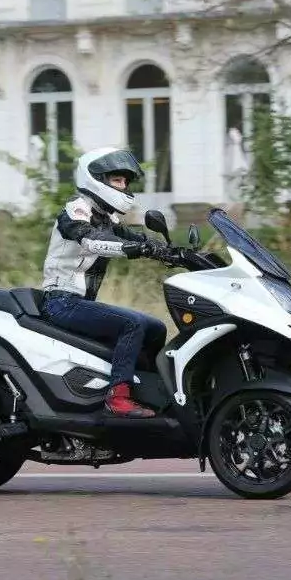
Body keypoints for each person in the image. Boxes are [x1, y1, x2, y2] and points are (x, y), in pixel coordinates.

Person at [40, 146, 169, 418]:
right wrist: (134, 249)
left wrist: (166, 249)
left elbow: (132, 237)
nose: (123, 187)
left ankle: (149, 391)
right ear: (96, 179)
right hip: (61, 302)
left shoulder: (106, 217)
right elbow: (89, 239)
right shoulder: (76, 210)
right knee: (132, 324)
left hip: (79, 303)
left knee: (156, 328)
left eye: (125, 181)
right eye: (117, 180)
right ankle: (118, 398)